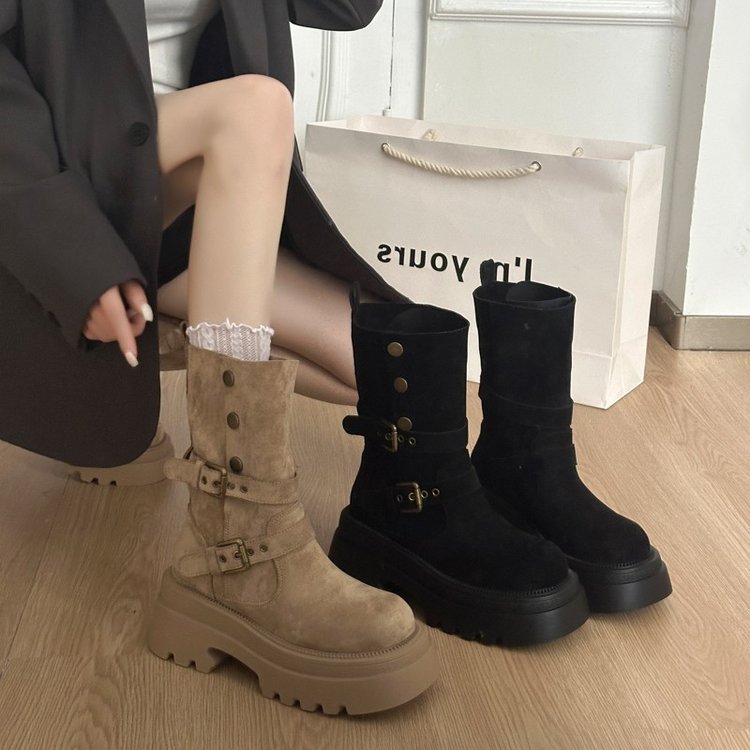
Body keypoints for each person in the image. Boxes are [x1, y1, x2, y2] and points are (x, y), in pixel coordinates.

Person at [0, 0, 439, 714]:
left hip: (183, 198)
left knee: (388, 374)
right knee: (256, 106)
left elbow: (345, 8)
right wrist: (70, 258)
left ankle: (141, 349)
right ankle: (238, 548)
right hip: (55, 191)